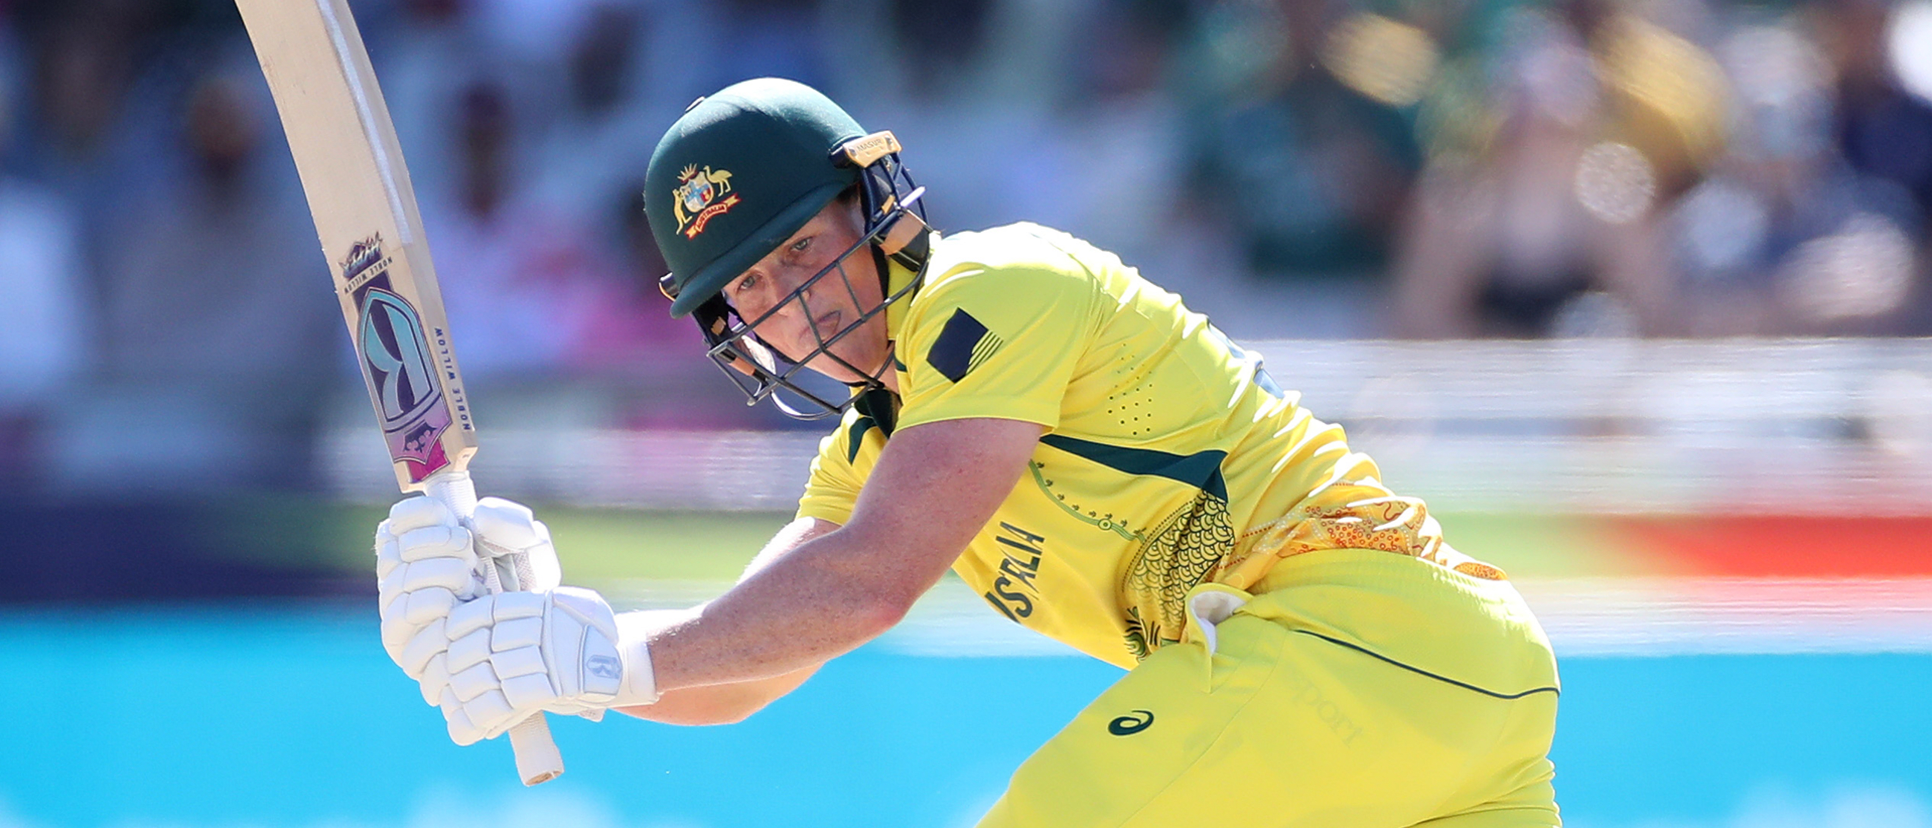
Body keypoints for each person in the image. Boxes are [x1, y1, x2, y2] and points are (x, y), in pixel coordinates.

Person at [375, 78, 1562, 827]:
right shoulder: (875, 444)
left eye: (801, 249)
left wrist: (596, 653)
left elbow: (871, 580)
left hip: (1359, 641)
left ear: (878, 209)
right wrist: (552, 646)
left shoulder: (994, 286)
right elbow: (745, 667)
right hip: (1436, 703)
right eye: (752, 287)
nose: (794, 305)